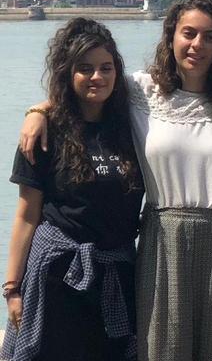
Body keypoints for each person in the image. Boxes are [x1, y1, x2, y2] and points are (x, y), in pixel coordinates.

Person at [18, 0, 212, 361]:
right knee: (161, 347)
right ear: (170, 36)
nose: (198, 45)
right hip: (163, 240)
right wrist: (38, 110)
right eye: (188, 33)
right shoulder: (142, 92)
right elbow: (86, 85)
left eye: (210, 37)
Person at [2, 18, 143, 361]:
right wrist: (12, 289)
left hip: (117, 274)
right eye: (85, 69)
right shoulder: (45, 132)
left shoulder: (133, 123)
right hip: (57, 275)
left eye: (106, 68)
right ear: (68, 74)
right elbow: (26, 215)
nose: (97, 77)